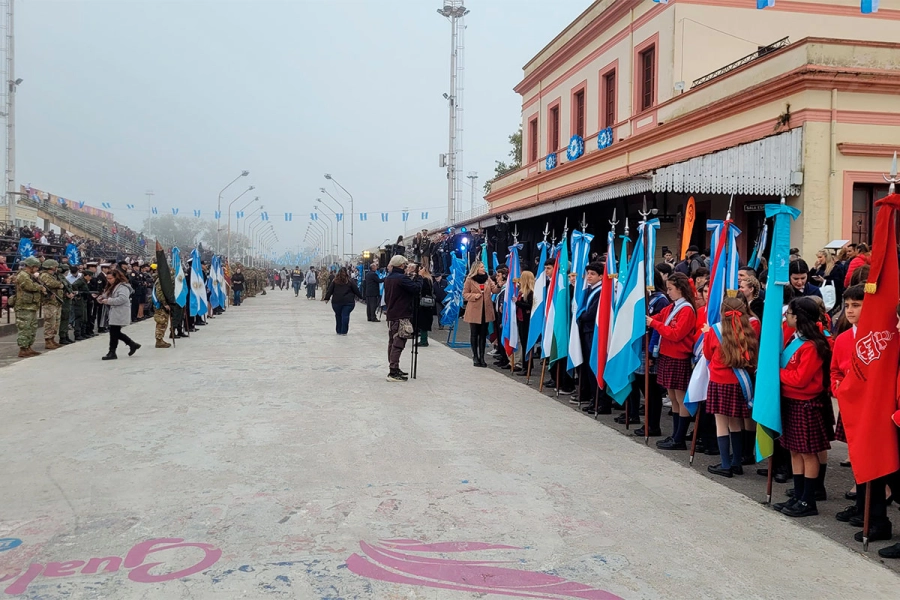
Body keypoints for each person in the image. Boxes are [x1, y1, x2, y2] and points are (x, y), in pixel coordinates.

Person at [772, 296, 833, 518]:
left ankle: (808, 499)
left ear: (798, 317)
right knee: (795, 451)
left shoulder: (812, 345)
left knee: (808, 453)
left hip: (806, 403)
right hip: (791, 401)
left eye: (788, 314)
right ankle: (798, 495)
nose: (786, 318)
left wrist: (776, 373)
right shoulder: (796, 339)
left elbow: (800, 378)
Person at [703, 296, 759, 478]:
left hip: (719, 382)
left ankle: (725, 464)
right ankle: (736, 462)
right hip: (739, 383)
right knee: (735, 423)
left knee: (721, 424)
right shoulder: (747, 331)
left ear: (722, 312)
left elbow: (707, 354)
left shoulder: (715, 330)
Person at [649, 272, 698, 450]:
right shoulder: (672, 307)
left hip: (678, 356)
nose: (668, 292)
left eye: (670, 289)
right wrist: (648, 318)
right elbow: (659, 317)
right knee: (672, 396)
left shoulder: (686, 309)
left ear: (680, 289)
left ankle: (680, 438)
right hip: (667, 354)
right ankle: (675, 434)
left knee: (680, 397)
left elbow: (676, 334)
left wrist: (653, 324)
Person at [383, 255, 422, 382]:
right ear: (401, 265)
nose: (406, 267)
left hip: (392, 314)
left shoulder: (389, 278)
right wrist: (419, 278)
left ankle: (394, 367)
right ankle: (393, 371)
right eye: (405, 265)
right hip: (401, 314)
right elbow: (416, 289)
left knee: (392, 342)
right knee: (398, 343)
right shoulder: (401, 278)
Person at [577, 262, 604, 411]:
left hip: (594, 332)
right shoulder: (589, 290)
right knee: (588, 367)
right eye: (588, 273)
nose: (589, 276)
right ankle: (594, 398)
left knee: (595, 366)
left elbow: (591, 314)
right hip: (586, 331)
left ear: (601, 276)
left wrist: (580, 315)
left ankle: (600, 401)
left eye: (593, 274)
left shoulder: (601, 292)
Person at [97, 268, 141, 360]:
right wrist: (101, 298)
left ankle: (112, 352)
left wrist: (108, 301)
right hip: (114, 312)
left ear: (116, 278)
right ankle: (131, 344)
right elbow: (107, 294)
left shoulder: (123, 287)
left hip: (120, 312)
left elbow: (122, 299)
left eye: (110, 278)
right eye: (107, 278)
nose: (108, 280)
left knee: (114, 332)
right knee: (115, 332)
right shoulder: (112, 286)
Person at [462, 261, 499, 368]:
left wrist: (499, 286)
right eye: (482, 267)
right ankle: (475, 356)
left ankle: (482, 357)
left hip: (485, 310)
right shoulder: (470, 279)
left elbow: (494, 290)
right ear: (476, 269)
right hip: (474, 310)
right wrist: (474, 296)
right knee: (474, 334)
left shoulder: (487, 279)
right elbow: (465, 294)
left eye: (484, 267)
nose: (484, 269)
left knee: (483, 335)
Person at [14, 256, 43, 357]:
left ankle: (28, 347)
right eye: (36, 267)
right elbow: (28, 286)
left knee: (32, 327)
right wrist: (40, 287)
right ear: (30, 266)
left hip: (30, 305)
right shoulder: (23, 275)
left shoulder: (29, 275)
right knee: (25, 327)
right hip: (24, 306)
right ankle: (23, 349)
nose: (37, 269)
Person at [324, 267, 363, 335]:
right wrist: (361, 297)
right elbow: (356, 290)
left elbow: (330, 290)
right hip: (348, 302)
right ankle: (344, 331)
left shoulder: (335, 281)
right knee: (345, 315)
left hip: (336, 301)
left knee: (338, 315)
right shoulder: (350, 281)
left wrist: (327, 298)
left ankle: (338, 330)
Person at [39, 259, 64, 350]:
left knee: (56, 322)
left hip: (55, 302)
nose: (56, 268)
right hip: (49, 303)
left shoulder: (52, 275)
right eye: (55, 266)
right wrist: (59, 284)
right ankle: (48, 340)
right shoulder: (44, 275)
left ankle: (52, 339)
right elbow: (51, 284)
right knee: (50, 322)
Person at [514, 270, 535, 376]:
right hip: (521, 319)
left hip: (527, 321)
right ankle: (525, 365)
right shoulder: (522, 292)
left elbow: (530, 306)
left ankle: (527, 366)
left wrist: (517, 302)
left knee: (527, 344)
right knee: (523, 343)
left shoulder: (530, 293)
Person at [416, 264, 435, 347]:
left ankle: (423, 340)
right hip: (428, 304)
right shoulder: (429, 279)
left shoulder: (425, 280)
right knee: (424, 322)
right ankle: (424, 340)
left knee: (423, 322)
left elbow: (423, 290)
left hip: (424, 304)